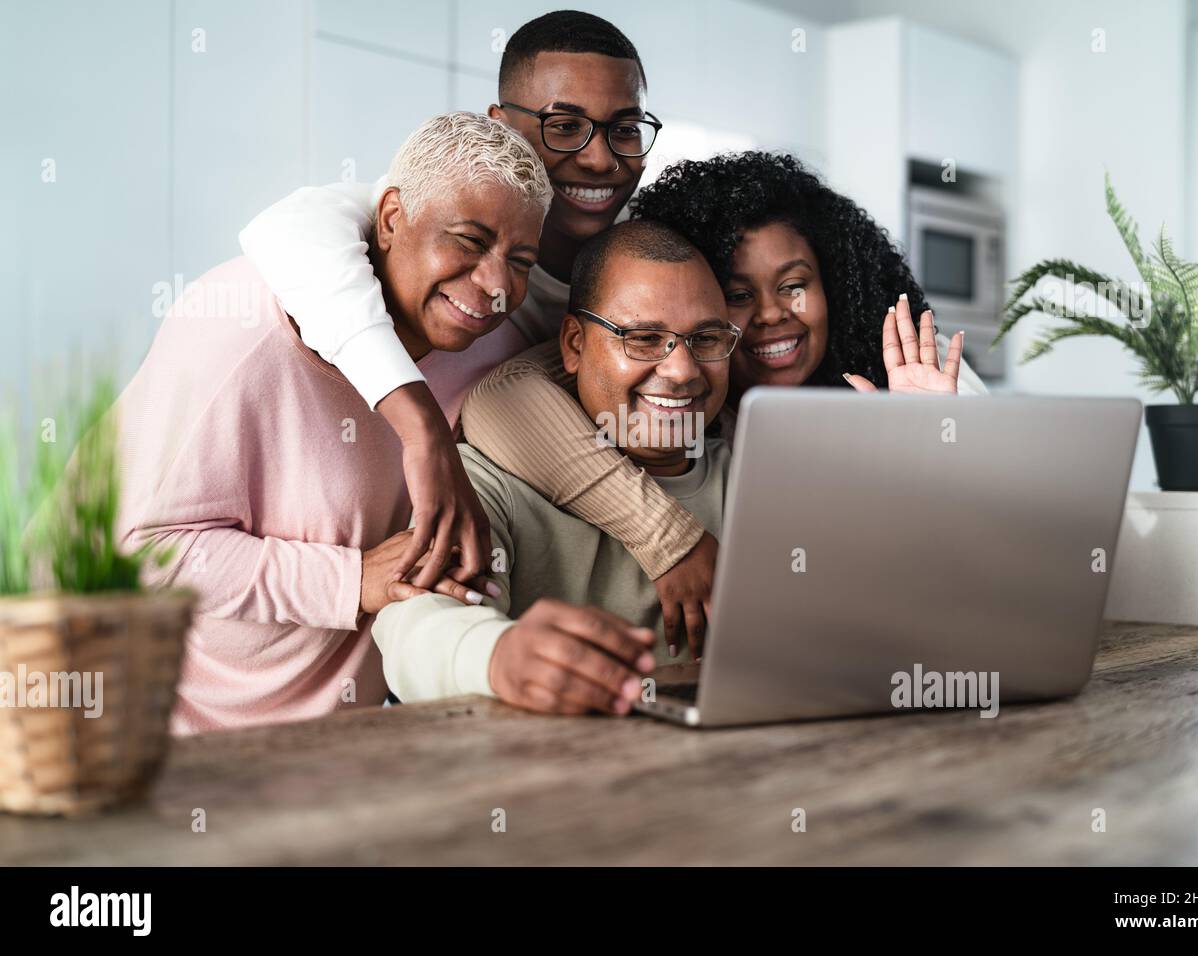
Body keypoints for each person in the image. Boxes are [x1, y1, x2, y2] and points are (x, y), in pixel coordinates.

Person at [114, 113, 551, 733]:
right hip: (181, 738)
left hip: (347, 743)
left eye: (521, 259)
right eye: (470, 241)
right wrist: (351, 580)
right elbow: (142, 552)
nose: (496, 284)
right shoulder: (237, 331)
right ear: (393, 218)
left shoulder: (493, 342)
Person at [458, 151, 986, 657]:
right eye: (737, 295)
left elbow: (926, 599)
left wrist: (928, 466)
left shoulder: (910, 366)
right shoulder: (689, 427)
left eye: (794, 285)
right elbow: (503, 397)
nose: (772, 314)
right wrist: (670, 539)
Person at [238, 11, 666, 604]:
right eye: (564, 127)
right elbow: (286, 230)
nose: (599, 160)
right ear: (502, 126)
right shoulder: (419, 228)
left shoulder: (650, 262)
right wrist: (423, 431)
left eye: (624, 129)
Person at [372, 221, 731, 714]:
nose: (683, 369)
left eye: (707, 339)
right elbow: (414, 624)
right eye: (643, 339)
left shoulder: (758, 472)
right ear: (574, 346)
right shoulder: (483, 482)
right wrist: (495, 656)